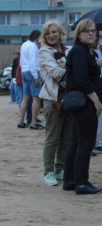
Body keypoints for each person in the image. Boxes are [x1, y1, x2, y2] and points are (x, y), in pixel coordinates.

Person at [63, 19, 102, 194]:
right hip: (85, 102)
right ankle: (81, 182)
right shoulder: (79, 51)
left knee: (77, 142)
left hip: (82, 102)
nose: (92, 34)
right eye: (87, 31)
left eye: (93, 31)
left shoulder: (84, 51)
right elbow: (81, 80)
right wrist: (95, 100)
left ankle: (70, 180)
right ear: (79, 34)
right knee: (85, 144)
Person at [38, 19, 72, 186]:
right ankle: (48, 172)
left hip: (70, 99)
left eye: (54, 32)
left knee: (66, 138)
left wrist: (67, 65)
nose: (51, 35)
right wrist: (71, 67)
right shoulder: (45, 51)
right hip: (53, 100)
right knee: (52, 138)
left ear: (60, 33)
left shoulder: (69, 50)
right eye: (48, 33)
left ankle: (60, 170)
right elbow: (56, 73)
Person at [18, 30, 45, 130]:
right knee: (36, 98)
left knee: (25, 98)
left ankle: (21, 121)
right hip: (32, 72)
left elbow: (21, 61)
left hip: (24, 71)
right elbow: (33, 62)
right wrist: (36, 77)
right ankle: (34, 122)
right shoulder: (33, 46)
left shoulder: (24, 44)